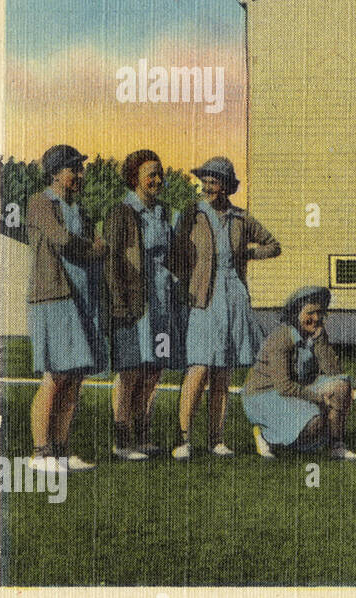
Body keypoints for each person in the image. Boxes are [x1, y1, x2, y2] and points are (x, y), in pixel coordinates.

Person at [168, 157, 280, 459]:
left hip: (234, 296)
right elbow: (176, 252)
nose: (208, 186)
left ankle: (216, 439)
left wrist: (248, 254)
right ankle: (184, 439)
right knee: (199, 367)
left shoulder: (241, 218)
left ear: (227, 186)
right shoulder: (191, 213)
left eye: (215, 181)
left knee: (222, 372)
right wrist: (185, 281)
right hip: (203, 297)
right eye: (205, 180)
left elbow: (273, 244)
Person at [25, 145, 108, 473]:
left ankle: (61, 450)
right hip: (55, 297)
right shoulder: (41, 203)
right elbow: (62, 241)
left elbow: (98, 246)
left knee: (74, 377)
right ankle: (40, 453)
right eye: (74, 169)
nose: (80, 175)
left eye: (80, 169)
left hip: (82, 298)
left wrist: (95, 248)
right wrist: (94, 248)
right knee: (55, 375)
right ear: (56, 171)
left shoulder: (79, 208)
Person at [104, 149, 176, 460]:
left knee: (153, 371)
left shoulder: (163, 212)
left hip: (162, 304)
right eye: (151, 174)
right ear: (135, 178)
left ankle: (143, 437)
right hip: (132, 304)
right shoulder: (121, 213)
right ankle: (122, 442)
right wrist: (117, 304)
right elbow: (110, 263)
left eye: (160, 173)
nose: (157, 179)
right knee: (130, 370)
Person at [241, 286, 356, 461]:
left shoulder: (316, 334)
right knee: (315, 423)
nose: (316, 318)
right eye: (310, 313)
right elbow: (284, 386)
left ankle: (337, 446)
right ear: (296, 313)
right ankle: (265, 433)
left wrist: (320, 342)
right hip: (265, 395)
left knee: (341, 386)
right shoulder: (282, 337)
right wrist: (318, 399)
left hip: (297, 388)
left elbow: (334, 372)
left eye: (320, 312)